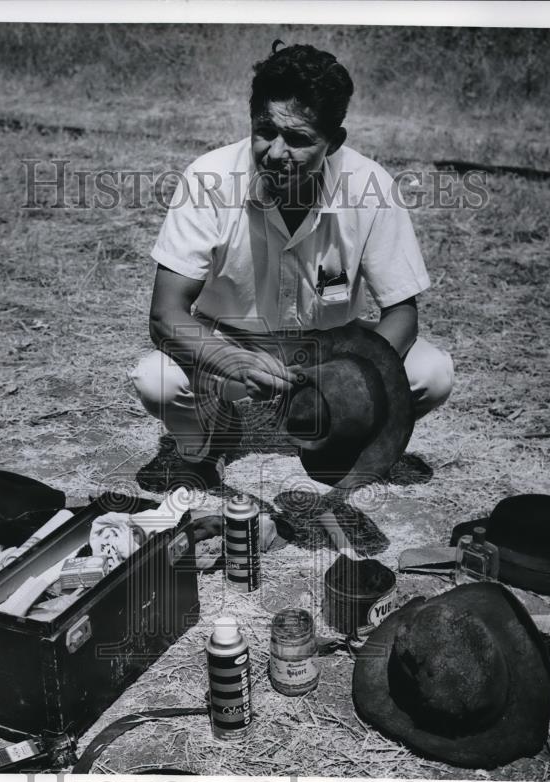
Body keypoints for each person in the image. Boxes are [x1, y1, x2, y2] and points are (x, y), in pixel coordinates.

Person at [130, 41, 454, 490]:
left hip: (336, 346)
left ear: (334, 142)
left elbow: (403, 313)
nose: (276, 152)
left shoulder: (372, 185)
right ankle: (210, 437)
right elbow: (166, 316)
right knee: (157, 380)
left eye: (299, 140)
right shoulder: (208, 179)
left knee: (431, 374)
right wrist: (232, 360)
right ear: (251, 120)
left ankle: (331, 431)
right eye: (265, 130)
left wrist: (346, 383)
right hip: (232, 336)